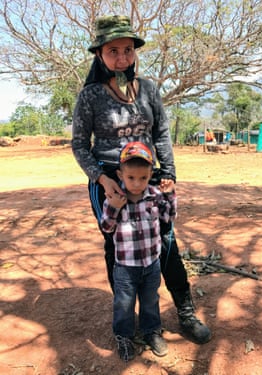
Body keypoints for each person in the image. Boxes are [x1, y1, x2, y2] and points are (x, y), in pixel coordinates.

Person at [72, 15, 211, 346]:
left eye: (128, 50)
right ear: (99, 55)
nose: (122, 58)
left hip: (150, 174)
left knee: (166, 241)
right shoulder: (90, 95)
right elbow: (79, 145)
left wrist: (170, 174)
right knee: (116, 245)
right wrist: (102, 181)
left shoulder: (148, 89)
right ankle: (129, 317)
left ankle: (186, 312)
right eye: (113, 51)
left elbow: (161, 131)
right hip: (109, 178)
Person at [101, 141, 176, 361]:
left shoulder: (154, 195)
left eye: (143, 178)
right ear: (120, 174)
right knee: (124, 303)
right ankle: (123, 336)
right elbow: (106, 228)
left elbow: (168, 218)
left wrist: (169, 195)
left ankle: (151, 331)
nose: (137, 183)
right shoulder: (114, 198)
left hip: (151, 264)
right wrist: (114, 207)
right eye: (131, 178)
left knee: (150, 299)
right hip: (125, 267)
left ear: (150, 174)